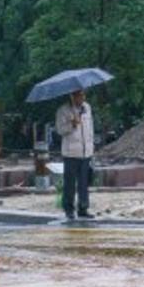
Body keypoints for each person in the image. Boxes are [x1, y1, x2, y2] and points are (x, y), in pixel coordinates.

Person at [55, 89, 94, 219]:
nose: (82, 97)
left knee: (84, 182)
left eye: (84, 94)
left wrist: (91, 147)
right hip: (71, 152)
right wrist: (72, 124)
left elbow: (90, 128)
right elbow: (60, 130)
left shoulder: (87, 108)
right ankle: (69, 209)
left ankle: (83, 208)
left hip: (86, 152)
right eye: (79, 95)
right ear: (73, 96)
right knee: (70, 183)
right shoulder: (63, 110)